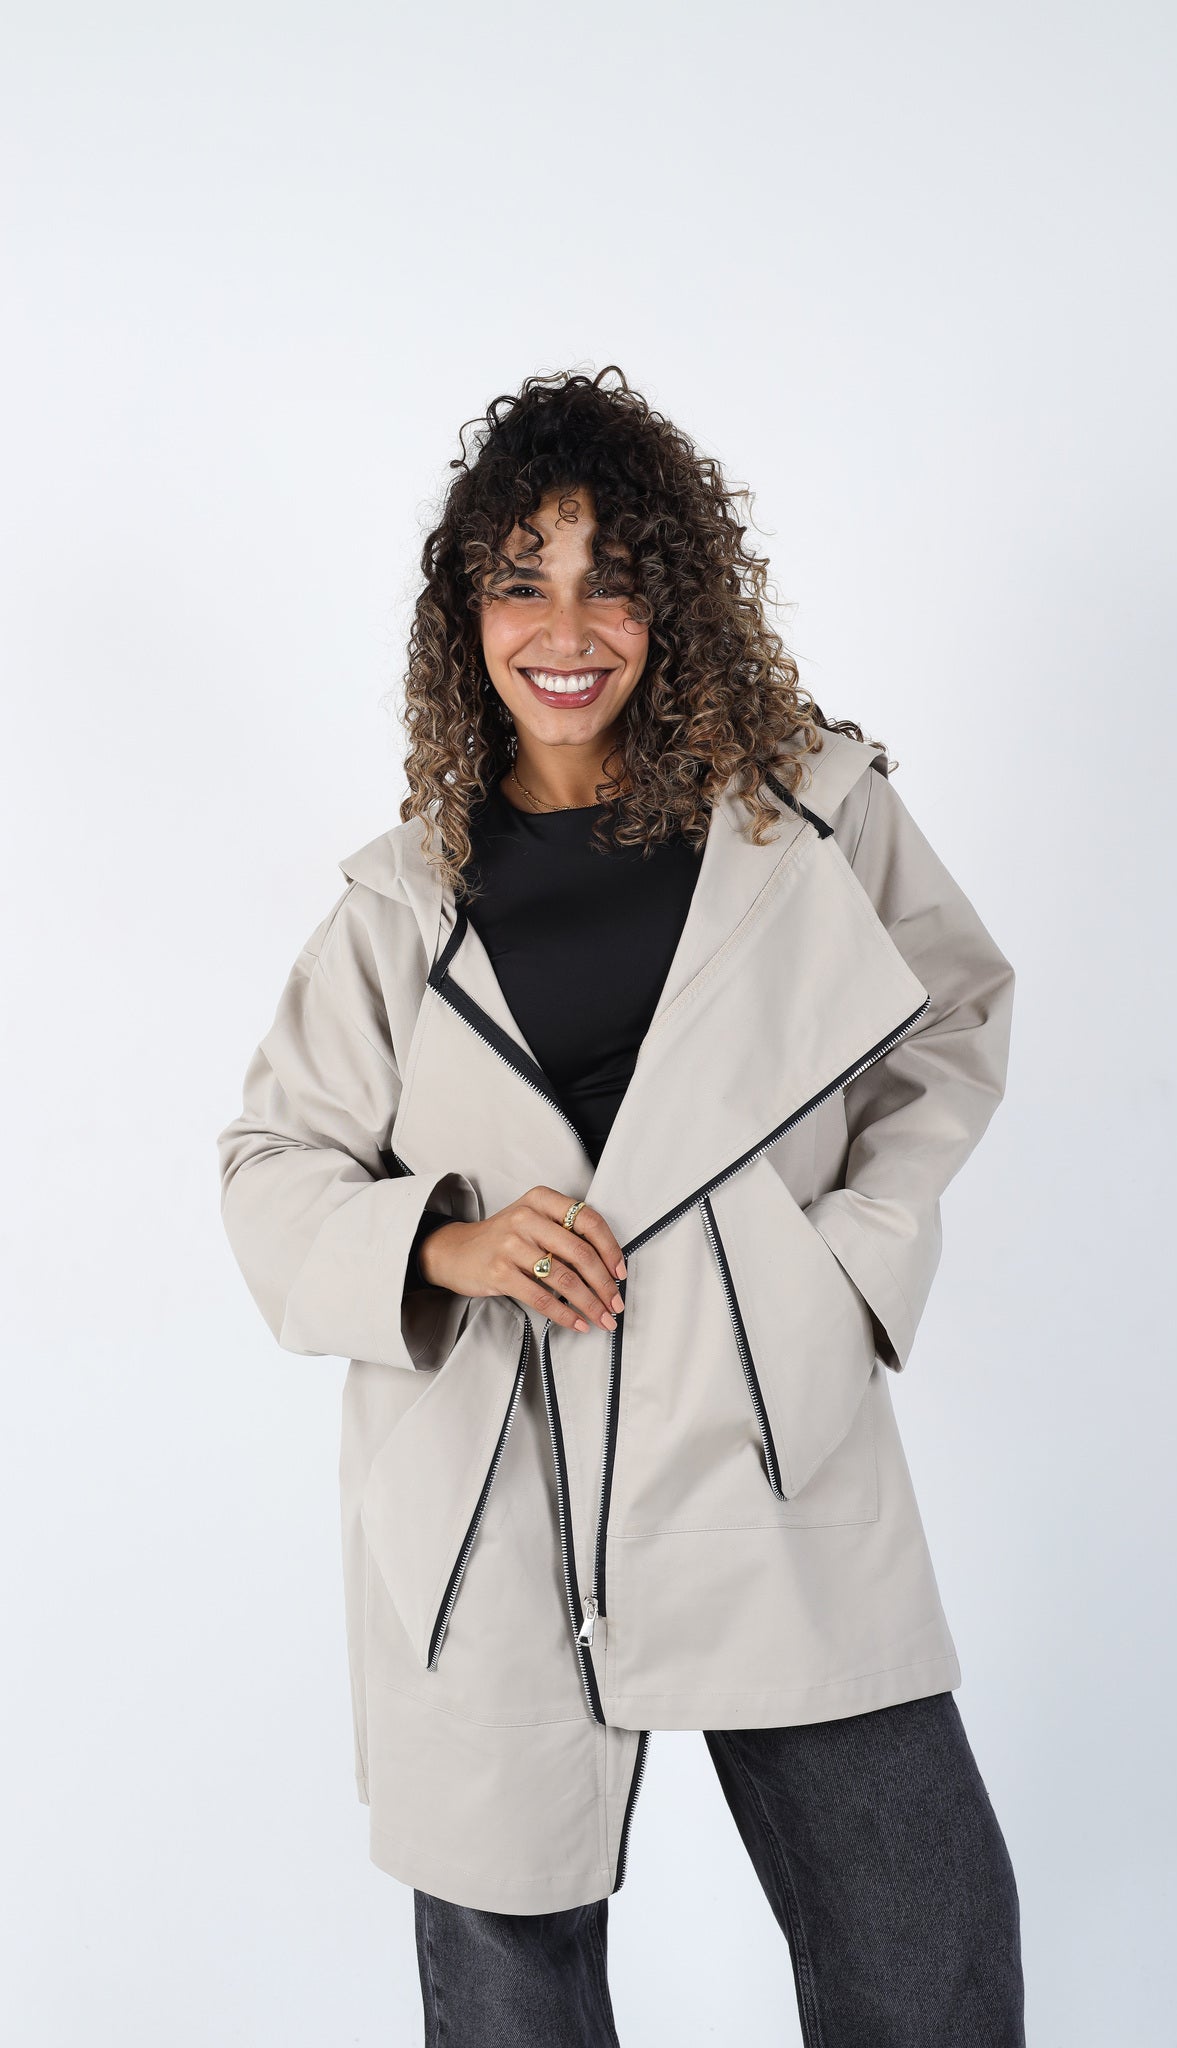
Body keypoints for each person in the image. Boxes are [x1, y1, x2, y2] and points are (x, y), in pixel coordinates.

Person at [217, 366, 1026, 2046]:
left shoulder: (804, 820)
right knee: (510, 1984)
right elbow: (272, 1165)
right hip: (491, 1484)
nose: (566, 629)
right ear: (465, 616)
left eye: (613, 581)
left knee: (921, 1936)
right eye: (521, 582)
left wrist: (839, 1269)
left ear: (677, 603)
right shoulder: (400, 904)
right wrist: (444, 1244)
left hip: (758, 1436)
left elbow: (950, 1018)